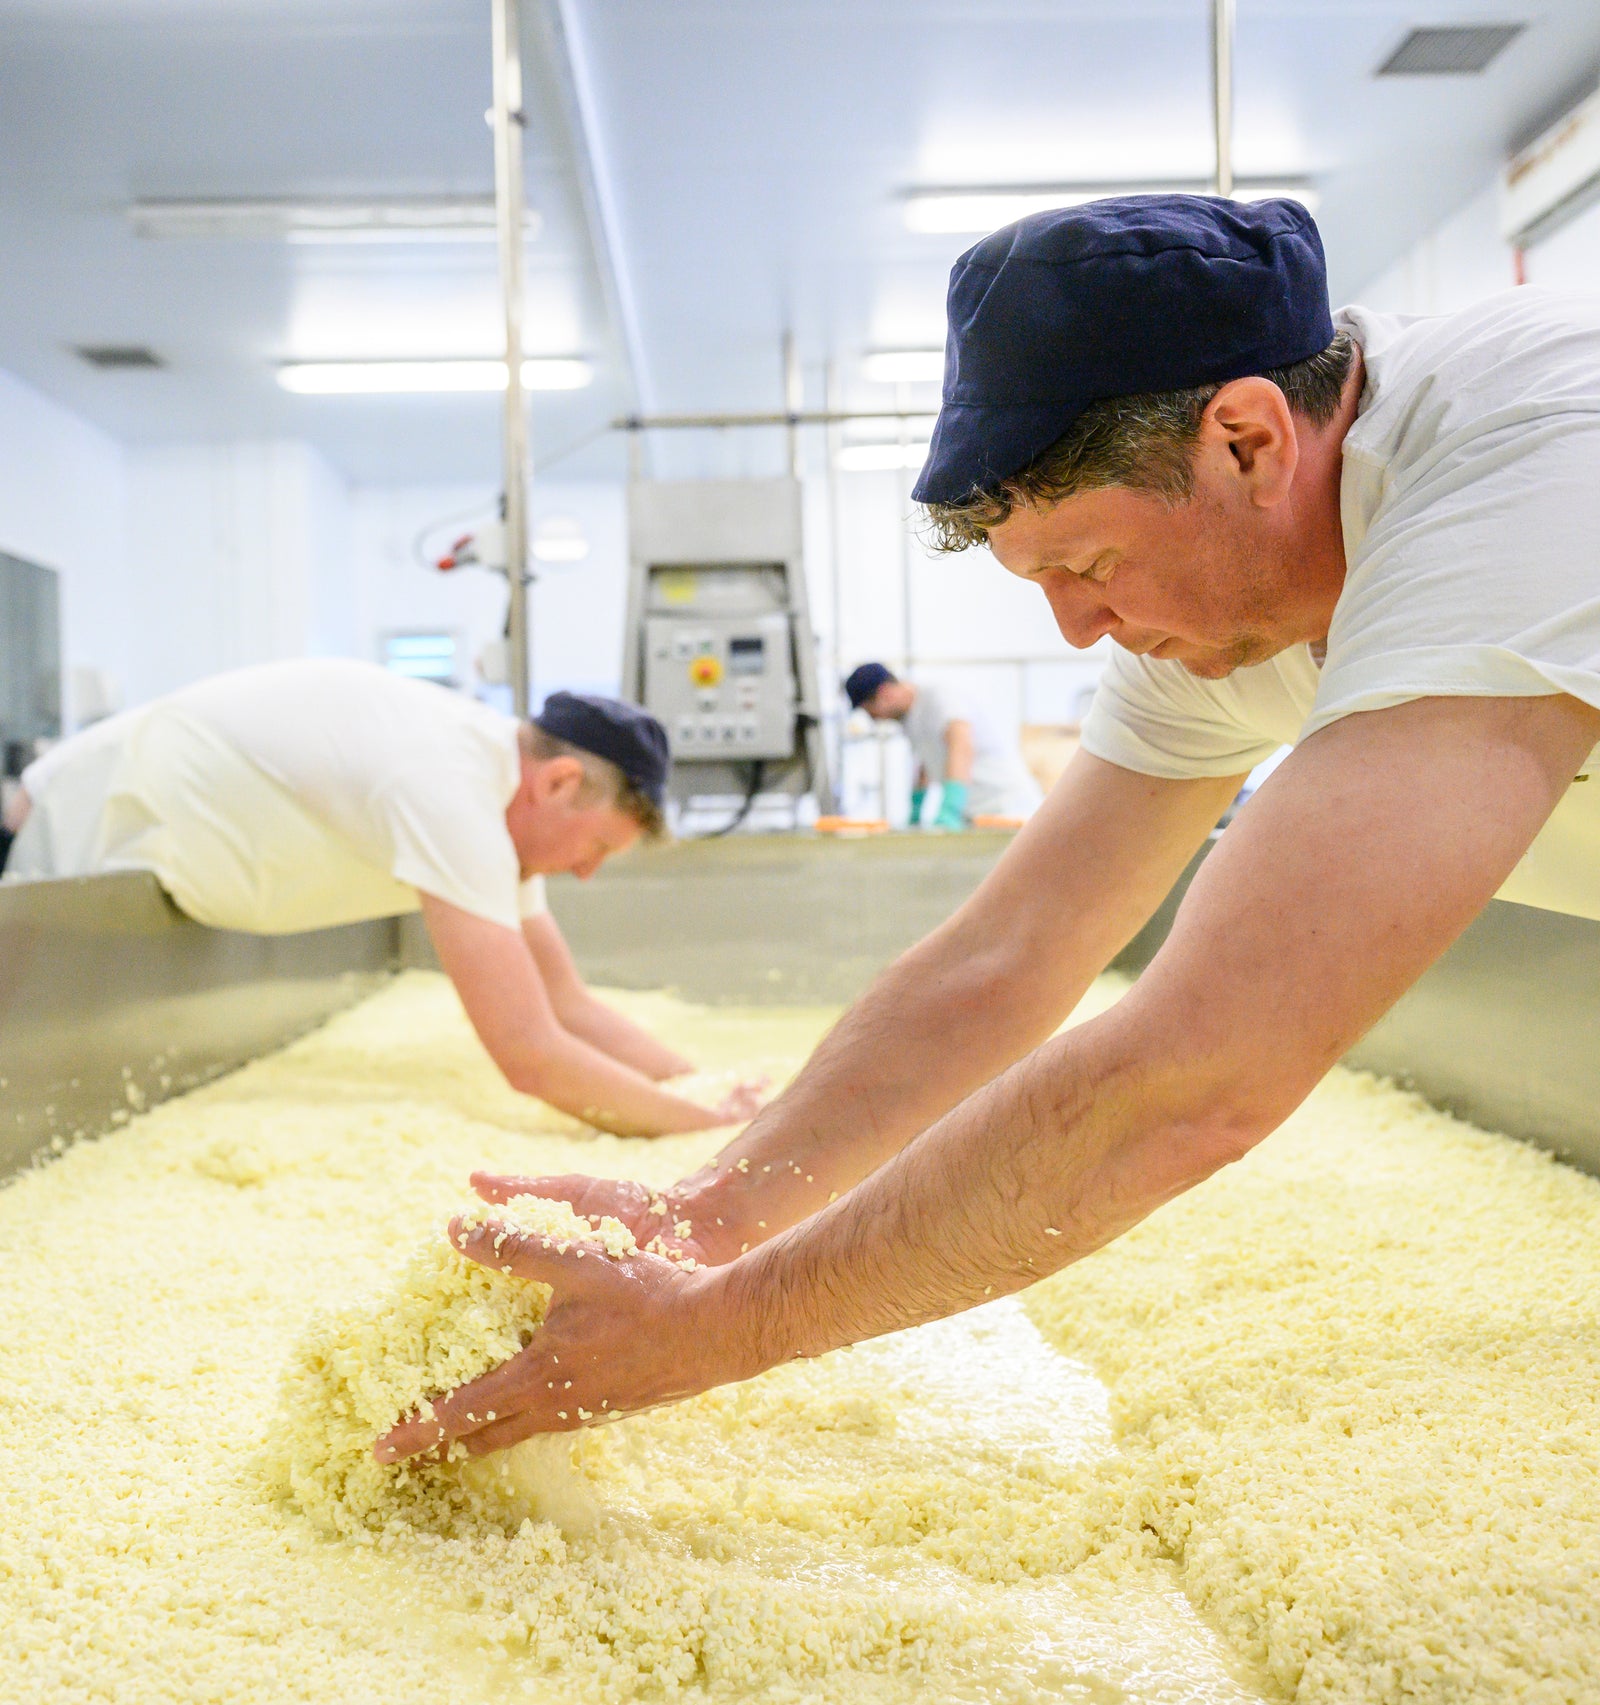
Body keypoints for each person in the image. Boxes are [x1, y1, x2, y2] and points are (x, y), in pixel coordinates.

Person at [375, 195, 1600, 1464]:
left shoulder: (1531, 449)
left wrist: (717, 1326)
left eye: (1089, 564)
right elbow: (1002, 957)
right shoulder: (1209, 593)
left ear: (1246, 440)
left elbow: (1200, 1074)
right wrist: (702, 1219)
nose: (1076, 630)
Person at [5, 659, 760, 1137]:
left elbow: (569, 1005)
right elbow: (531, 1053)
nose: (586, 873)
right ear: (559, 783)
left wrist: (698, 1084)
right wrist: (696, 1126)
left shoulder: (495, 796)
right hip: (81, 822)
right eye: (595, 848)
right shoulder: (450, 789)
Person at [842, 662, 1043, 827]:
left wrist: (950, 807)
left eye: (871, 711)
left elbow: (961, 745)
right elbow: (925, 764)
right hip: (974, 813)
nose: (875, 719)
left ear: (885, 693)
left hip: (1006, 807)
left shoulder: (939, 697)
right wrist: (916, 809)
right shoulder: (908, 718)